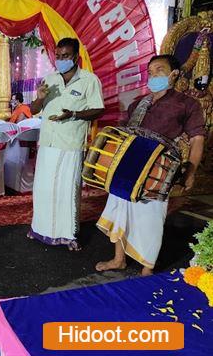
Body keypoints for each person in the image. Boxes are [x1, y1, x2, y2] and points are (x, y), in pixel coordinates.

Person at [95, 55, 205, 276]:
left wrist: (191, 170)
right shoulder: (139, 103)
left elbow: (197, 139)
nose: (154, 75)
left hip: (157, 169)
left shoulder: (187, 104)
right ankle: (119, 259)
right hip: (127, 165)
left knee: (151, 218)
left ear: (174, 74)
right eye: (151, 71)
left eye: (160, 70)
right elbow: (123, 132)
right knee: (121, 211)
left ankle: (147, 268)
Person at [28, 38, 105, 251]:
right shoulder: (49, 79)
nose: (61, 60)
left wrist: (73, 114)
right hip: (48, 142)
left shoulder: (89, 80)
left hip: (70, 143)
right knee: (43, 188)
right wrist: (40, 97)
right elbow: (34, 110)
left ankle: (67, 234)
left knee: (67, 189)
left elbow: (99, 109)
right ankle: (40, 228)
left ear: (76, 57)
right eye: (59, 56)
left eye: (66, 56)